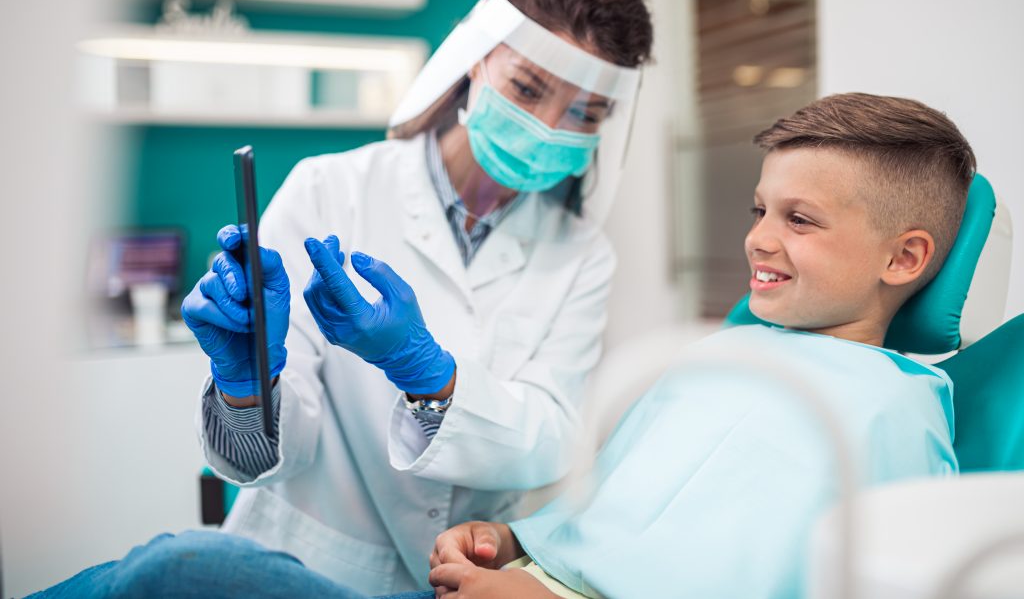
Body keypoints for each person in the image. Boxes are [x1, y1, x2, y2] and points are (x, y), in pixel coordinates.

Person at [32, 92, 973, 598]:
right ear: (474, 69)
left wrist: (428, 374)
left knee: (185, 569)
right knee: (173, 567)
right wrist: (519, 538)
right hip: (391, 558)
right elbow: (620, 502)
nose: (761, 240)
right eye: (758, 210)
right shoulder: (726, 361)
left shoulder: (887, 412)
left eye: (800, 219)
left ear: (908, 255)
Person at [178, 0, 653, 596]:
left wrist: (427, 374)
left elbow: (551, 437)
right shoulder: (328, 190)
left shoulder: (582, 255)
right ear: (474, 61)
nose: (548, 126)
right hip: (305, 565)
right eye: (527, 88)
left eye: (584, 113)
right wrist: (244, 384)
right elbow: (268, 456)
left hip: (468, 577)